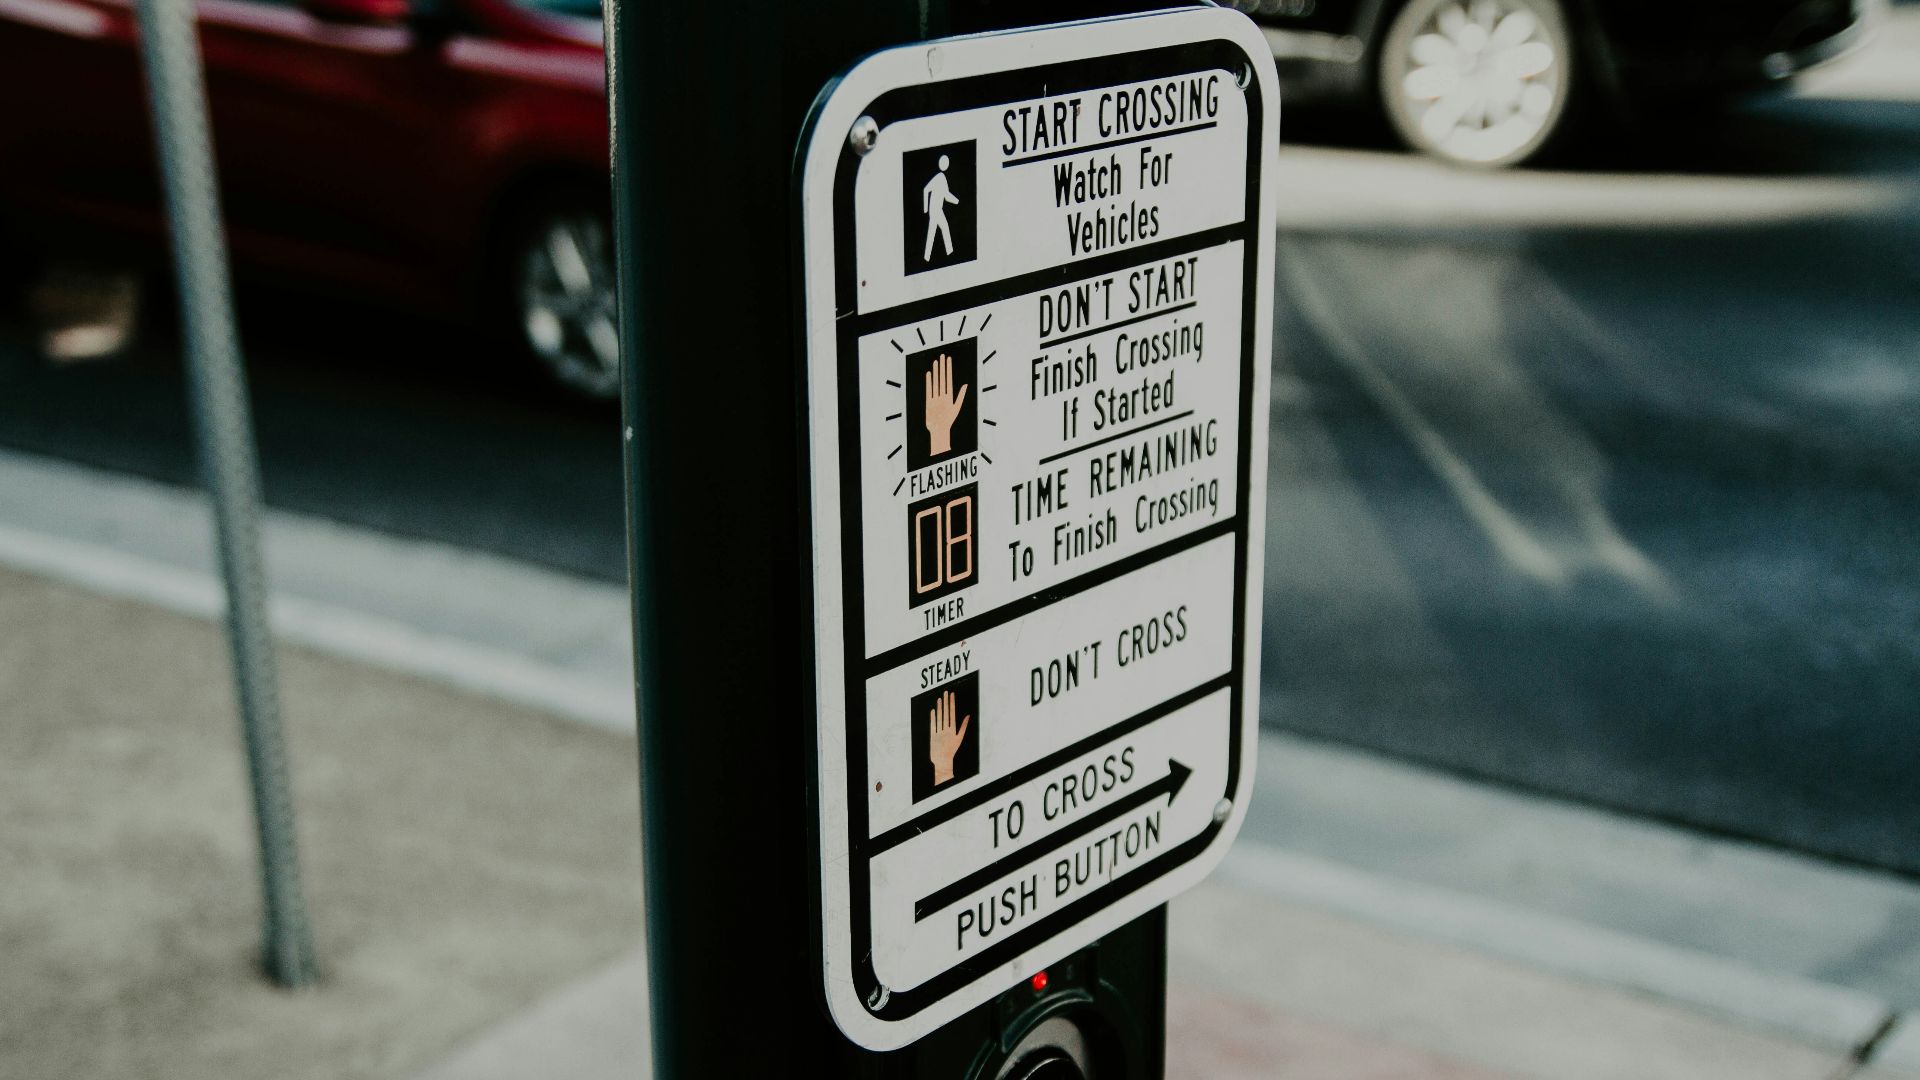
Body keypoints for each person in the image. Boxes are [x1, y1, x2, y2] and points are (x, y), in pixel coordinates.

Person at [922, 154, 960, 262]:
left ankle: (927, 257)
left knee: (934, 231)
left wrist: (957, 201)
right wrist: (925, 209)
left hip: (937, 210)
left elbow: (946, 196)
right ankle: (949, 252)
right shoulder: (939, 177)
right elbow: (926, 190)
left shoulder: (943, 178)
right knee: (942, 228)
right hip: (935, 210)